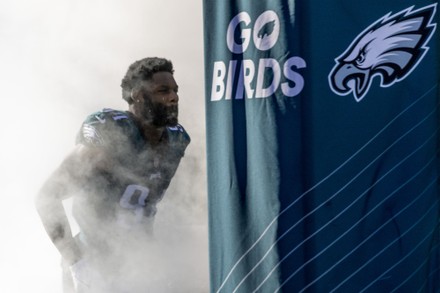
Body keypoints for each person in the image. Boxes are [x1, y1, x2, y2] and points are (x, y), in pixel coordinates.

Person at [35, 57, 190, 293]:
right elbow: (48, 197)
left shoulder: (177, 139)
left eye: (175, 91)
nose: (173, 97)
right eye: (163, 90)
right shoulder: (112, 134)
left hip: (142, 263)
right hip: (95, 263)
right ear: (138, 95)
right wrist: (78, 263)